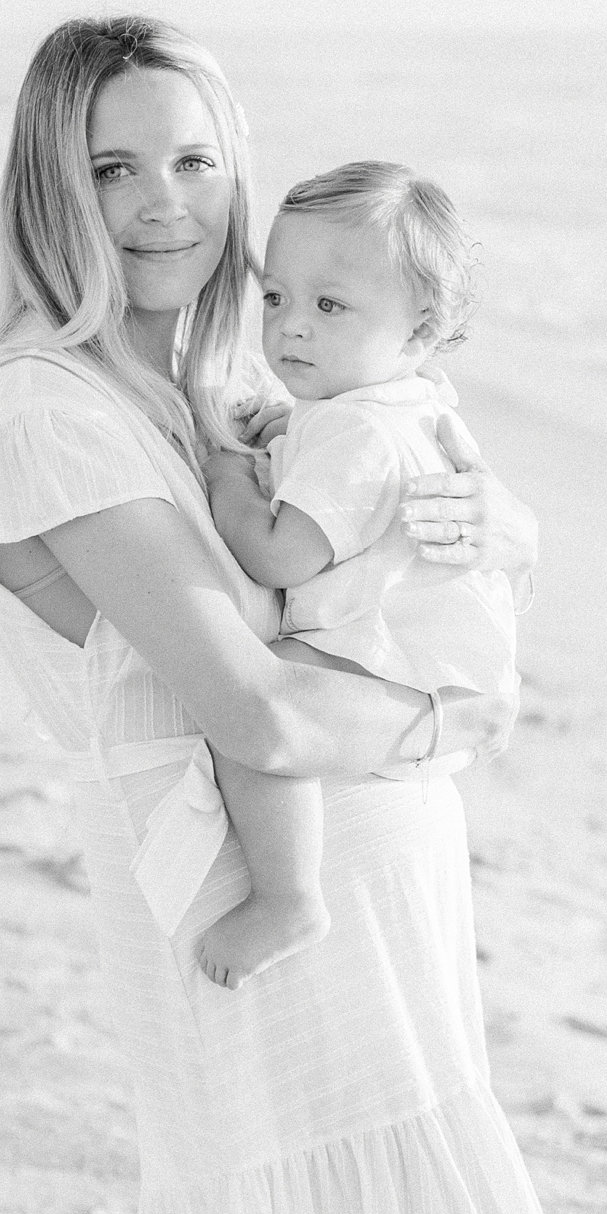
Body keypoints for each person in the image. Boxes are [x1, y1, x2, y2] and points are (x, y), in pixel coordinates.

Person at [0, 14, 586, 1214]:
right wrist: (465, 711)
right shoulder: (47, 414)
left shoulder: (235, 381)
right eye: (112, 170)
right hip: (245, 889)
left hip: (367, 852)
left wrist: (509, 537)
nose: (162, 205)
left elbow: (396, 546)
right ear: (48, 191)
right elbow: (257, 708)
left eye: (193, 161)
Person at [198, 160, 522, 993]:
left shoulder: (362, 436)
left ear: (418, 332)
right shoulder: (383, 406)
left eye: (329, 306)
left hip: (385, 661)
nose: (290, 328)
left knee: (258, 713)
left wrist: (227, 472)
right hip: (419, 660)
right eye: (275, 298)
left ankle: (288, 895)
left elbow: (276, 553)